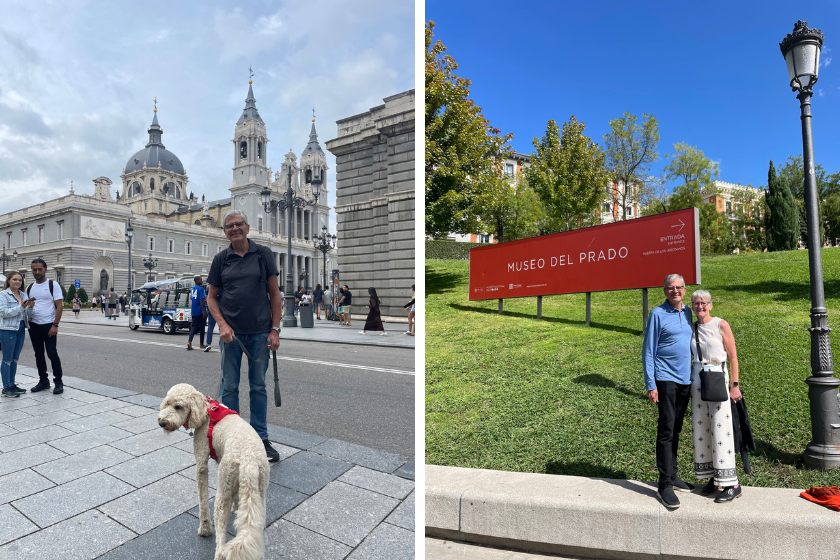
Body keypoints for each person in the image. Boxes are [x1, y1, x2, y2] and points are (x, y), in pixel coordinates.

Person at [207, 210, 283, 463]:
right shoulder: (221, 259)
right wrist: (222, 325)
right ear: (225, 232)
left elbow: (275, 294)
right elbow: (211, 298)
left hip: (260, 333)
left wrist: (275, 329)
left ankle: (260, 438)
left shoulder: (263, 254)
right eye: (229, 226)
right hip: (231, 335)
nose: (235, 228)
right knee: (229, 387)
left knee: (258, 386)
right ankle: (234, 438)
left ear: (248, 228)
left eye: (239, 224)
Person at [642, 273, 694, 510]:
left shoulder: (688, 312)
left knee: (677, 428)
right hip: (664, 378)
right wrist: (651, 384)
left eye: (679, 287)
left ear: (684, 290)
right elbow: (648, 350)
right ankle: (664, 484)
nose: (675, 291)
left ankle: (673, 474)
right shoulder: (657, 314)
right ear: (665, 291)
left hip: (685, 379)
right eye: (671, 288)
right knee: (666, 430)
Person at [689, 289, 743, 503]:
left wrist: (735, 385)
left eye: (704, 302)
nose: (700, 306)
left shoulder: (721, 324)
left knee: (722, 430)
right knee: (702, 429)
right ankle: (714, 477)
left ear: (710, 305)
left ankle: (732, 483)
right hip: (697, 378)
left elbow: (733, 356)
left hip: (717, 377)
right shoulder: (692, 327)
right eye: (696, 303)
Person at [27, 259, 65, 394]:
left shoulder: (52, 285)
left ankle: (58, 382)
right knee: (38, 354)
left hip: (49, 325)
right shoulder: (29, 287)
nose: (37, 272)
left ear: (45, 269)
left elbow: (59, 306)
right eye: (34, 270)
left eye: (39, 269)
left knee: (52, 353)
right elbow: (28, 307)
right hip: (34, 325)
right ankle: (43, 381)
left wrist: (55, 324)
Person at [0, 272, 34, 397]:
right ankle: (6, 388)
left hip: (20, 327)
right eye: (15, 279)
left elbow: (27, 314)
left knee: (14, 359)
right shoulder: (3, 295)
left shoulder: (23, 294)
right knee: (7, 359)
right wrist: (21, 307)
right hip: (7, 329)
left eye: (20, 280)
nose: (18, 282)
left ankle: (12, 384)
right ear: (8, 280)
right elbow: (3, 313)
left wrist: (30, 308)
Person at [187, 276, 207, 351]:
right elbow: (201, 300)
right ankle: (201, 344)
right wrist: (204, 311)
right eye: (201, 280)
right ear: (197, 281)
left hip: (194, 310)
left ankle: (189, 341)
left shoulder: (192, 289)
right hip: (200, 310)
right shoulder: (201, 289)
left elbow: (192, 298)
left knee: (194, 326)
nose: (202, 281)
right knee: (202, 327)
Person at [204, 287, 221, 353]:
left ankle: (208, 344)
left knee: (210, 327)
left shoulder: (209, 287)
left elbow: (206, 298)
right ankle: (221, 342)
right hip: (221, 309)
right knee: (221, 327)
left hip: (212, 309)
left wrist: (208, 307)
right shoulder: (222, 287)